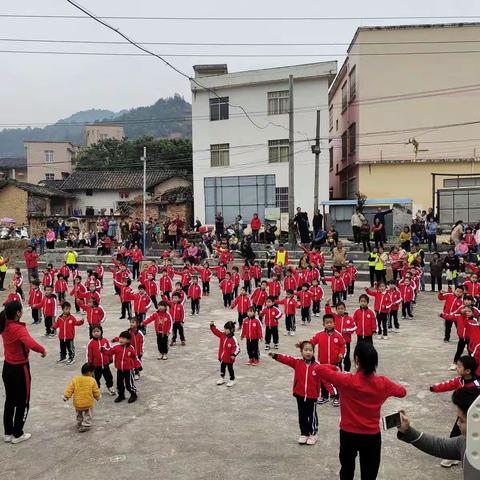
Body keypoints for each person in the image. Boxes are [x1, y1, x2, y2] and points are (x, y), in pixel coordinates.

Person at [316, 342, 406, 480]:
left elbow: (319, 369)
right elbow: (402, 392)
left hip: (348, 434)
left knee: (346, 470)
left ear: (356, 360)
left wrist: (334, 367)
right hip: (371, 436)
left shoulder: (345, 380)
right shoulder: (383, 383)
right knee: (369, 474)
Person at [397, 388, 480, 480]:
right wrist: (407, 430)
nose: (458, 424)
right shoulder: (466, 442)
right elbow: (440, 446)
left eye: (461, 420)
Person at [1, 301, 47, 444]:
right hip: (20, 369)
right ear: (18, 313)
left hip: (7, 367)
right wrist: (42, 350)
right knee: (23, 401)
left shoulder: (3, 324)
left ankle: (8, 433)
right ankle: (18, 433)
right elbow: (30, 343)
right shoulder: (17, 328)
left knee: (10, 400)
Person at [269, 341, 332, 445]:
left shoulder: (317, 366)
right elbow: (286, 359)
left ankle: (313, 433)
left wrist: (333, 392)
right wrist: (275, 356)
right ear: (301, 352)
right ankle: (304, 433)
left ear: (314, 352)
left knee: (311, 415)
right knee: (302, 415)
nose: (308, 352)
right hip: (299, 394)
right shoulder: (297, 362)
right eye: (305, 350)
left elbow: (327, 375)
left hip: (312, 395)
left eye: (310, 350)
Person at [63, 363, 101, 432]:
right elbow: (96, 391)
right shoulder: (92, 380)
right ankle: (86, 424)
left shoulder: (75, 379)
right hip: (87, 402)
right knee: (88, 413)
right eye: (93, 372)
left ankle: (79, 423)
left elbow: (70, 389)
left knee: (79, 413)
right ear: (90, 372)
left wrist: (66, 396)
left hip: (77, 403)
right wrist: (97, 397)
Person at [110, 330, 140, 404]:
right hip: (120, 369)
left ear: (128, 340)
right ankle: (121, 395)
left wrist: (138, 366)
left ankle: (133, 394)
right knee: (119, 384)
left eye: (123, 338)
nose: (120, 339)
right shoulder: (117, 347)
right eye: (120, 338)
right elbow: (109, 351)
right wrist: (103, 350)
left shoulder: (131, 348)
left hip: (128, 370)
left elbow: (135, 358)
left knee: (129, 384)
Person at [87, 325, 115, 394]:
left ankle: (110, 387)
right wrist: (90, 364)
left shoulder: (105, 341)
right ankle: (97, 389)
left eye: (97, 331)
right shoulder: (91, 343)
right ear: (91, 333)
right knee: (96, 378)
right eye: (94, 332)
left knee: (109, 377)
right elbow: (89, 354)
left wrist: (110, 358)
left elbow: (109, 350)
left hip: (105, 364)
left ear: (101, 332)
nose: (96, 333)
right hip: (96, 365)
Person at [210, 320, 239, 387]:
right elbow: (216, 332)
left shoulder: (233, 339)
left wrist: (233, 354)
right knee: (222, 367)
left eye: (226, 329)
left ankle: (232, 379)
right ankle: (222, 378)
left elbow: (237, 348)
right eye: (224, 329)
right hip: (222, 357)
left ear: (231, 330)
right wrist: (212, 326)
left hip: (229, 358)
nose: (225, 330)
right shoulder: (222, 335)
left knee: (230, 369)